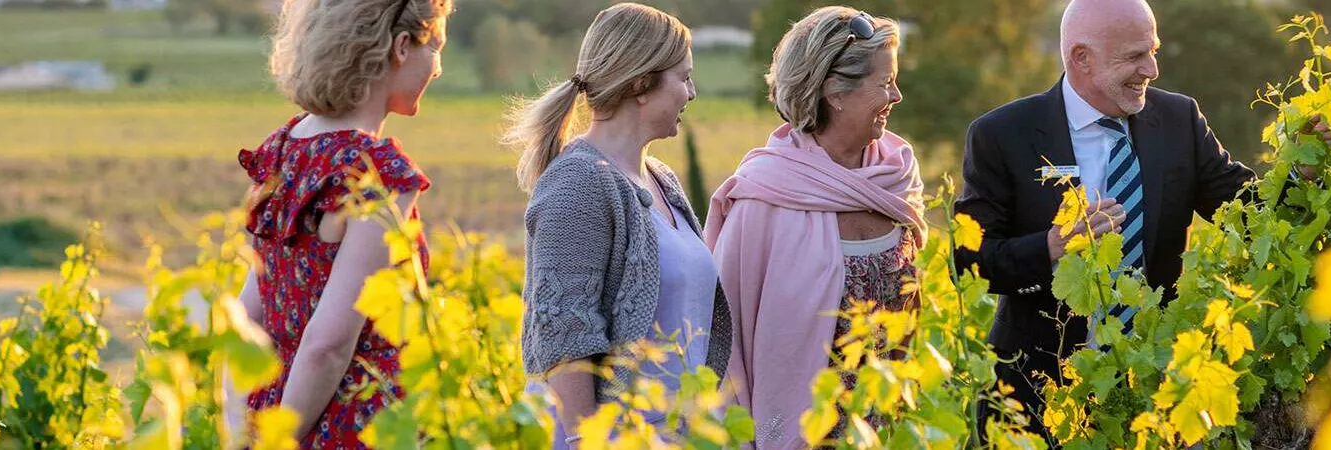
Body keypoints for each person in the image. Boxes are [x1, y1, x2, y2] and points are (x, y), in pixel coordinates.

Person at [954, 0, 1327, 441]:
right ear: (1081, 58)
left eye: (1153, 51)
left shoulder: (1179, 119)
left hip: (1155, 387)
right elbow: (970, 262)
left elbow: (1248, 213)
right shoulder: (1002, 133)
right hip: (1036, 389)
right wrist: (1052, 246)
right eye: (1133, 56)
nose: (1151, 69)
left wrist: (1298, 175)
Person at [226, 0, 452, 446]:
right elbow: (328, 343)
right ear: (402, 46)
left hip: (273, 412)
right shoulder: (377, 173)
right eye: (437, 47)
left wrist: (238, 431)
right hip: (351, 425)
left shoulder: (284, 148)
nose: (439, 69)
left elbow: (247, 318)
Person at [507, 3, 731, 446]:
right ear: (641, 84)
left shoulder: (659, 178)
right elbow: (563, 334)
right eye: (683, 78)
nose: (692, 92)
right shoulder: (577, 184)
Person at [705, 6, 923, 447]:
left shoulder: (898, 179)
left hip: (891, 432)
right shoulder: (763, 198)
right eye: (884, 83)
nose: (897, 96)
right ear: (834, 92)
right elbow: (724, 344)